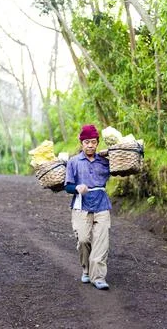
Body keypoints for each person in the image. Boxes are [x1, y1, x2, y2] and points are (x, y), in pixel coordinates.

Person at [65, 124, 112, 290]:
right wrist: (76, 188)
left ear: (97, 142)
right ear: (82, 143)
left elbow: (121, 169)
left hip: (101, 204)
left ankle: (98, 277)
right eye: (87, 142)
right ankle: (86, 269)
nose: (90, 145)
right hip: (81, 206)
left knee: (101, 241)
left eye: (93, 142)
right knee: (84, 239)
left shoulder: (105, 162)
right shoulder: (74, 162)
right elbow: (68, 186)